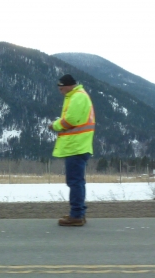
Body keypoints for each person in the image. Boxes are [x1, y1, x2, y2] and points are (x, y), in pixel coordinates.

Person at [48, 74, 95, 227]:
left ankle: (76, 215)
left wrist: (54, 125)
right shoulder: (78, 96)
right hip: (79, 146)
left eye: (61, 88)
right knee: (77, 181)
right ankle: (79, 213)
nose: (60, 91)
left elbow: (70, 121)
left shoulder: (77, 97)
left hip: (76, 146)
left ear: (68, 86)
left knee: (74, 181)